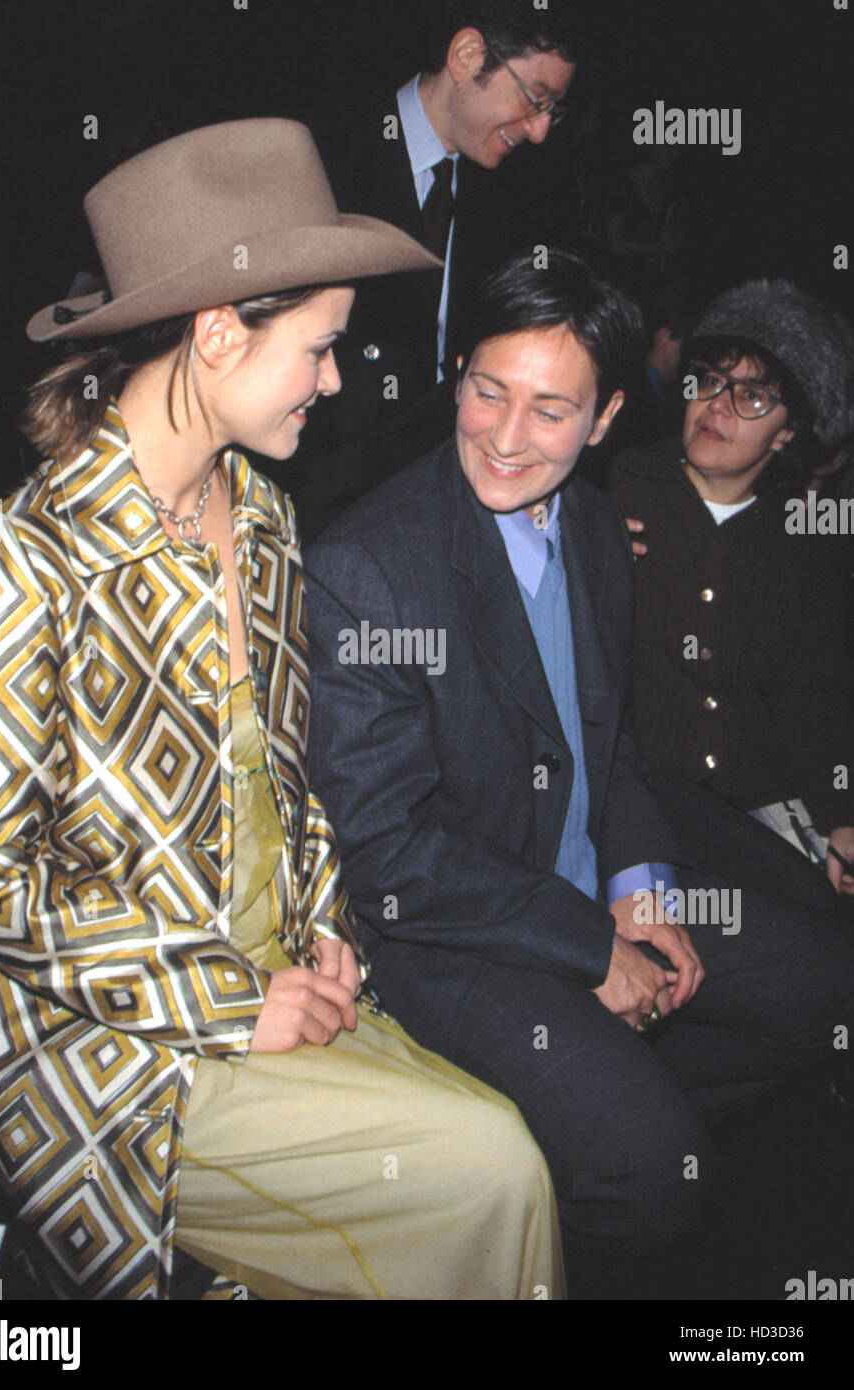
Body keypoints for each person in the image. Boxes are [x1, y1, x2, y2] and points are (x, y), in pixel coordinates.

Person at [0, 121, 564, 1301]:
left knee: (496, 1149)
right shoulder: (16, 559)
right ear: (219, 334)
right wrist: (226, 996)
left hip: (283, 971)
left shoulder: (262, 515)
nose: (334, 378)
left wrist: (323, 916)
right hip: (92, 1038)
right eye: (320, 346)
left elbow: (284, 778)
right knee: (492, 1170)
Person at [303, 249, 854, 1299]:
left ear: (603, 419)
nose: (506, 439)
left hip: (586, 868)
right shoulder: (367, 566)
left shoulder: (596, 523)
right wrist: (591, 942)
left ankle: (589, 1116)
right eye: (485, 392)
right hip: (453, 924)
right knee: (650, 1177)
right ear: (456, 373)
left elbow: (607, 745)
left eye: (550, 411)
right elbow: (386, 857)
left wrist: (637, 877)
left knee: (822, 990)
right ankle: (586, 1166)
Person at [264, 0, 585, 540]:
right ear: (467, 56)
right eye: (535, 99)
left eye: (555, 109)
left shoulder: (513, 197)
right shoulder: (319, 152)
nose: (540, 130)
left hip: (430, 492)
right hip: (310, 503)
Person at [609, 280, 854, 902]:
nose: (717, 405)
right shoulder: (616, 489)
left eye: (751, 396)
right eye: (709, 381)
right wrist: (586, 541)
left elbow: (812, 695)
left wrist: (839, 814)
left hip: (756, 801)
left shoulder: (800, 542)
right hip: (642, 799)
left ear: (787, 433)